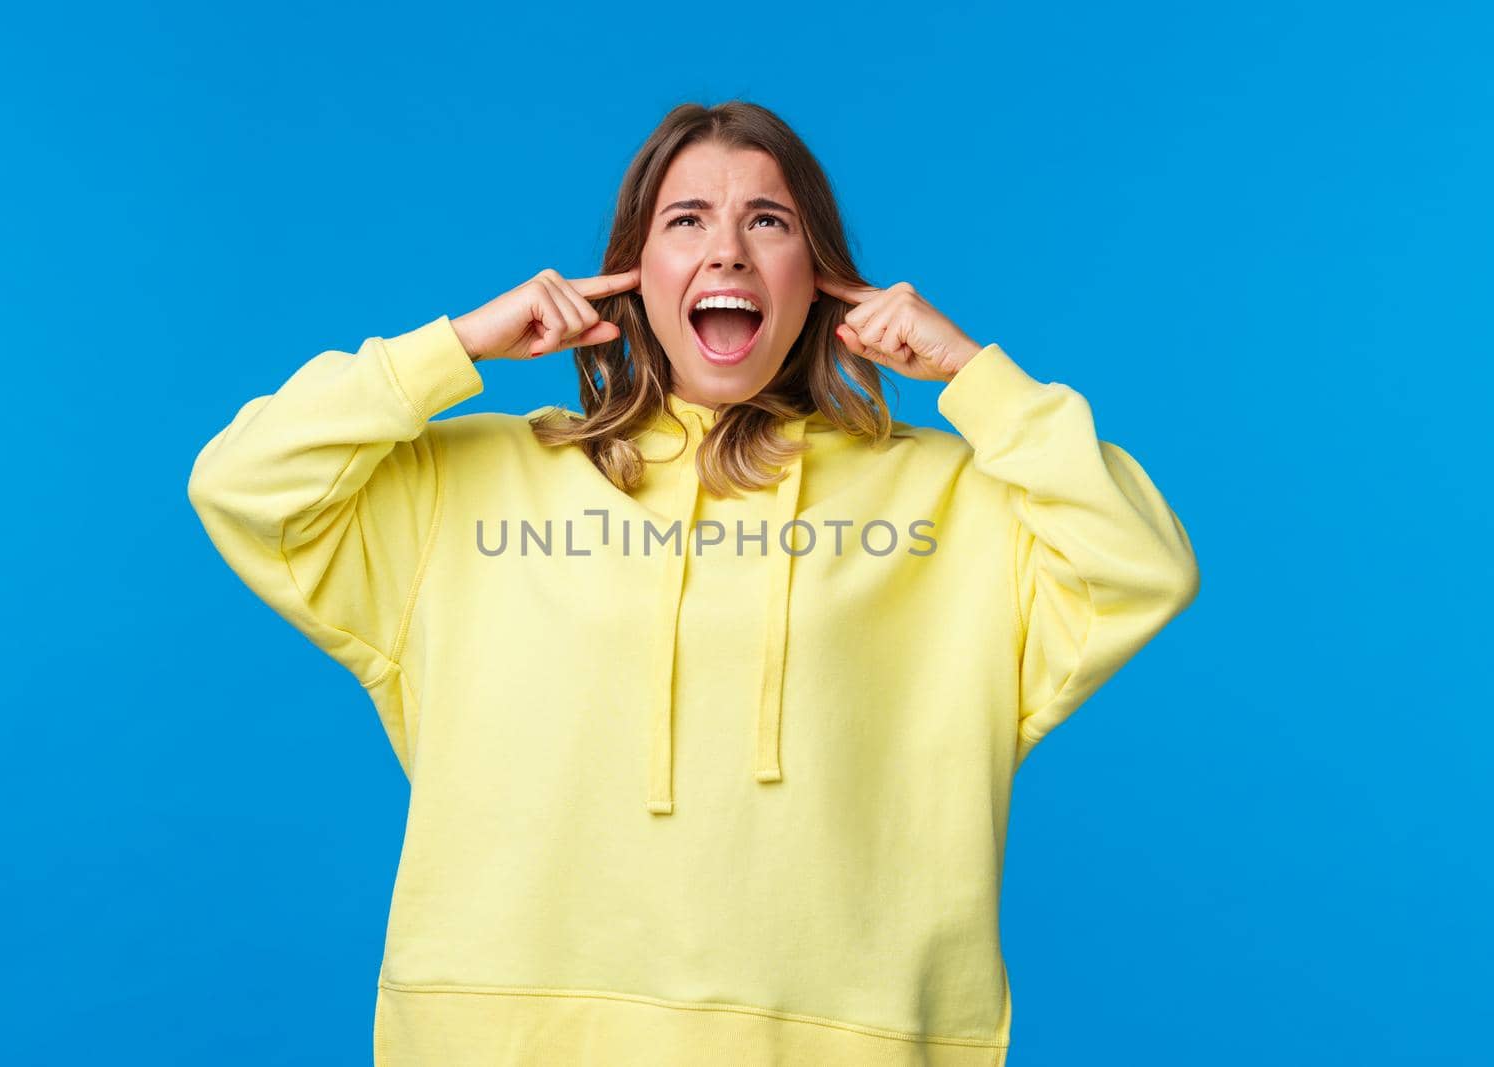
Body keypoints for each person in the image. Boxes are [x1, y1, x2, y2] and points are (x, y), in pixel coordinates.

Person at [187, 100, 1199, 1066]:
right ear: (632, 273)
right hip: (505, 1038)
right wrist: (455, 347)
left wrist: (975, 376)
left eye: (769, 220)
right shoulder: (474, 484)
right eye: (686, 220)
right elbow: (243, 481)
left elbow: (1140, 562)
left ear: (820, 278)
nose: (727, 251)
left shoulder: (947, 503)